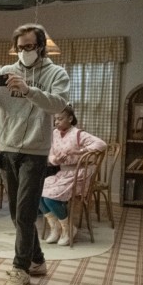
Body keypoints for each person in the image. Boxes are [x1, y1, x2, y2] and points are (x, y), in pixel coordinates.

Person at [0, 23, 69, 285]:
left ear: (41, 47)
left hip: (35, 153)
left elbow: (59, 104)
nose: (24, 51)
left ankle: (20, 268)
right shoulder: (6, 72)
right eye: (20, 47)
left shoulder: (56, 73)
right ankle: (37, 260)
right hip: (7, 150)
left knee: (25, 213)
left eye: (30, 46)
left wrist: (28, 90)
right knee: (17, 214)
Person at [41, 105, 107, 246]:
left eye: (60, 119)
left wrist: (80, 152)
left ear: (70, 119)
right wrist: (56, 160)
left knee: (50, 198)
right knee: (36, 192)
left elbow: (101, 144)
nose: (56, 122)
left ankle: (68, 229)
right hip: (63, 173)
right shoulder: (54, 134)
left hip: (79, 174)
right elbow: (51, 155)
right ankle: (56, 228)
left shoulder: (78, 134)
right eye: (55, 119)